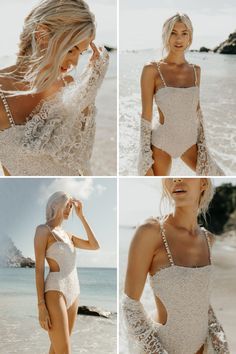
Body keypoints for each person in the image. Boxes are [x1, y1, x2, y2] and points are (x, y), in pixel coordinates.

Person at [0, 0, 109, 176]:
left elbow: (80, 155)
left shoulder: (68, 83)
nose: (74, 62)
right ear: (42, 35)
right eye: (71, 50)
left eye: (81, 53)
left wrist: (90, 85)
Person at [122, 178, 229, 353]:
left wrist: (220, 342)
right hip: (161, 348)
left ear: (203, 183)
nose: (176, 179)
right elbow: (130, 305)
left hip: (204, 348)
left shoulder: (208, 239)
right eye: (171, 176)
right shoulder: (150, 231)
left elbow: (202, 303)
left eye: (185, 175)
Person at [138, 13, 224, 176]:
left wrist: (204, 147)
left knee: (217, 176)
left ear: (190, 37)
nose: (179, 39)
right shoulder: (151, 70)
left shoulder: (196, 70)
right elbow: (146, 117)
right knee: (157, 185)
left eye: (184, 33)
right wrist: (144, 160)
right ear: (166, 35)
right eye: (173, 33)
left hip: (189, 141)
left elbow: (197, 112)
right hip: (162, 142)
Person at [34, 191, 99, 354]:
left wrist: (81, 216)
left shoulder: (68, 235)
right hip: (55, 291)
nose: (70, 209)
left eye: (71, 206)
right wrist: (41, 305)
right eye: (68, 205)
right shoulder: (43, 230)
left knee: (57, 349)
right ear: (55, 205)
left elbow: (94, 245)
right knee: (64, 351)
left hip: (74, 291)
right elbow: (39, 269)